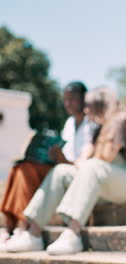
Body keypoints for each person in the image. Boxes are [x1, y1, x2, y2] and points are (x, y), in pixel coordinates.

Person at [4, 86, 126, 255]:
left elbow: (104, 158)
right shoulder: (100, 128)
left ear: (100, 106)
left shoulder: (119, 120)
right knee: (61, 171)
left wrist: (85, 158)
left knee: (93, 165)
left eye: (89, 107)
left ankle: (73, 233)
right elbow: (86, 163)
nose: (86, 111)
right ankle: (33, 233)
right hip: (108, 180)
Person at [0, 81, 95, 247]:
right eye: (66, 99)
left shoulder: (92, 124)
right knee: (19, 167)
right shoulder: (69, 124)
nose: (68, 103)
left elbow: (83, 163)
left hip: (72, 172)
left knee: (27, 170)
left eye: (72, 99)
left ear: (83, 99)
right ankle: (10, 227)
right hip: (59, 166)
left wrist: (62, 159)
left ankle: (23, 226)